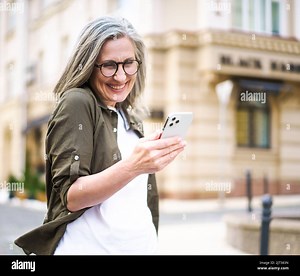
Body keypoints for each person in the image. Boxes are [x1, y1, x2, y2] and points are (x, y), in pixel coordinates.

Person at [15, 16, 186, 255]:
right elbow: (72, 197)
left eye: (128, 63)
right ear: (88, 64)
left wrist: (150, 160)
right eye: (109, 65)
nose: (120, 76)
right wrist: (134, 166)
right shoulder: (77, 102)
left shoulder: (128, 113)